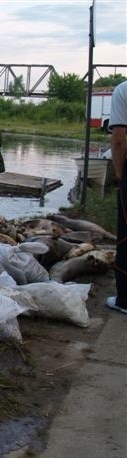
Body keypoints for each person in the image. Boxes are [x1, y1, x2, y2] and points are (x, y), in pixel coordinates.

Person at [106, 80, 127, 314]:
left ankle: (125, 300)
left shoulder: (123, 90)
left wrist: (121, 174)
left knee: (125, 238)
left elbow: (119, 139)